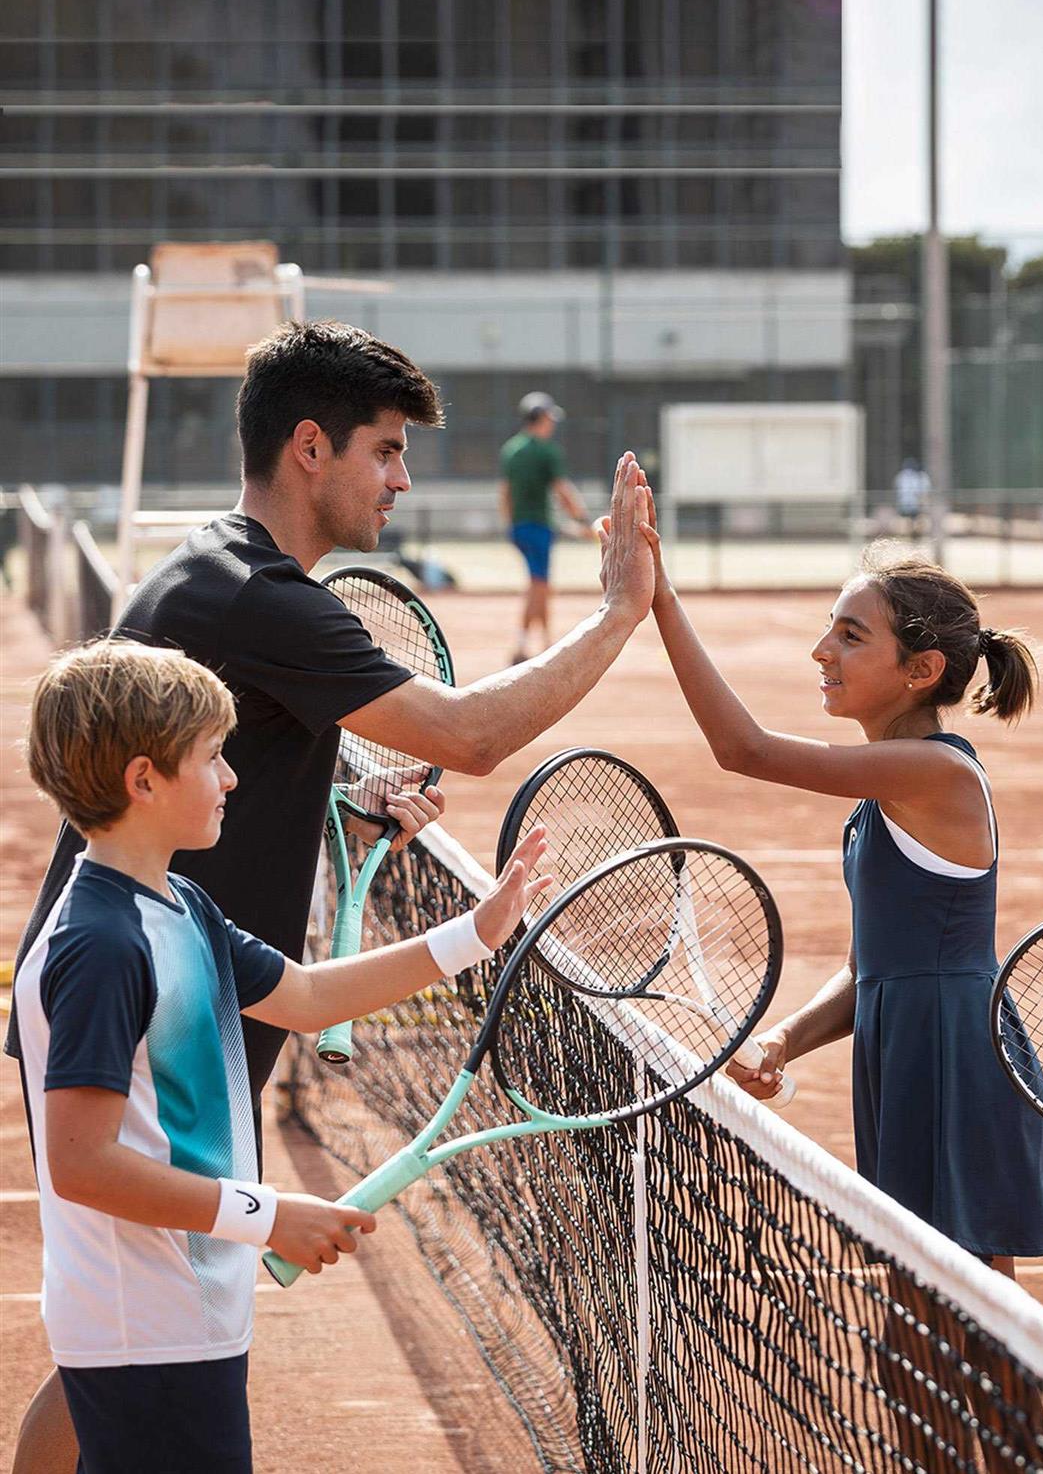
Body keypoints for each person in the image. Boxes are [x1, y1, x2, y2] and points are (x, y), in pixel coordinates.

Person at [8, 320, 654, 1473]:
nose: (402, 480)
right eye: (386, 450)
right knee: (145, 1327)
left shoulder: (222, 572)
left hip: (190, 978)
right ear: (311, 447)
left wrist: (351, 813)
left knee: (121, 1343)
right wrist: (618, 613)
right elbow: (472, 735)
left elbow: (239, 776)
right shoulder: (263, 600)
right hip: (152, 1004)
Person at [15, 638, 551, 1474]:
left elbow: (304, 997)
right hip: (145, 1324)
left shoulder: (178, 904)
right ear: (144, 780)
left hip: (181, 1314)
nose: (232, 778)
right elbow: (82, 1164)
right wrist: (267, 1215)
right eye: (212, 757)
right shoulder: (103, 944)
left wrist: (474, 935)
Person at [621, 472, 1043, 1271]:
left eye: (851, 636)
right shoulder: (881, 792)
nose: (821, 651)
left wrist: (657, 597)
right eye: (829, 628)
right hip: (906, 1040)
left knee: (960, 1298)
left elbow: (744, 750)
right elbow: (872, 967)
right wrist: (785, 1040)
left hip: (952, 1048)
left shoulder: (934, 772)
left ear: (920, 670)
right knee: (918, 1295)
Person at [501, 390, 590, 662]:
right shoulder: (546, 451)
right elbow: (562, 490)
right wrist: (582, 519)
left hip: (519, 526)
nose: (552, 424)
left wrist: (510, 524)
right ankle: (525, 643)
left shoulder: (511, 450)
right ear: (539, 417)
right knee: (538, 585)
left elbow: (505, 493)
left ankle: (544, 639)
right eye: (549, 418)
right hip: (539, 526)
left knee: (539, 583)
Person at [893, 456, 931, 535]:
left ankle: (915, 533)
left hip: (913, 505)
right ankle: (912, 533)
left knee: (916, 521)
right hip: (908, 505)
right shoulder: (902, 476)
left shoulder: (902, 476)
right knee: (910, 522)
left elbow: (924, 493)